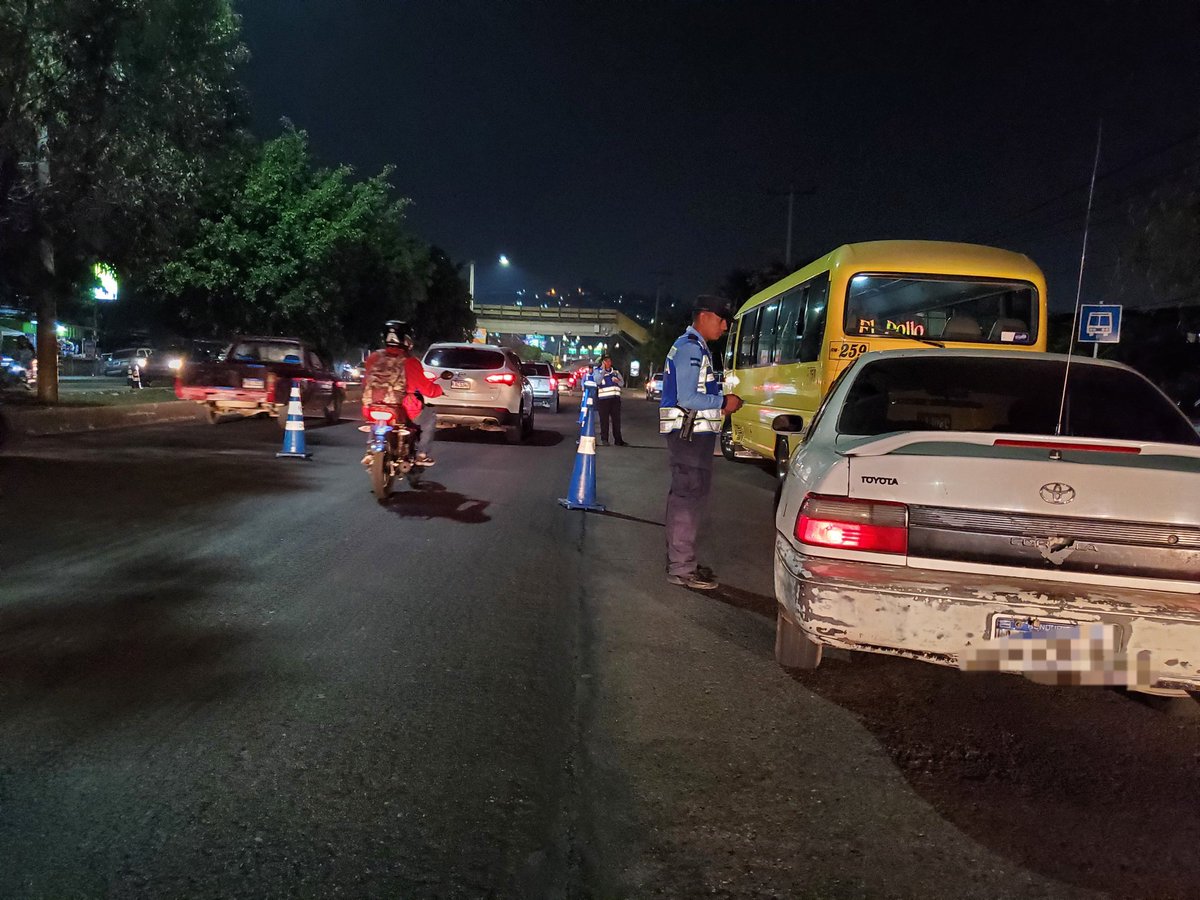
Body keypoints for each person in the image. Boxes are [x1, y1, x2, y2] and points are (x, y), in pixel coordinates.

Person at [659, 295, 744, 590]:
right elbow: (687, 398)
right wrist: (725, 401)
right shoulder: (690, 349)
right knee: (687, 500)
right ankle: (681, 568)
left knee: (689, 498)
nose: (724, 326)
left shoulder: (696, 348)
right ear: (705, 316)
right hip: (689, 435)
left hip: (693, 435)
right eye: (721, 320)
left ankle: (683, 562)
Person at [362, 321, 444, 466]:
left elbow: (366, 381)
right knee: (430, 417)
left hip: (372, 406)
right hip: (403, 409)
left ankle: (370, 451)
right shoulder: (410, 362)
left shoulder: (373, 357)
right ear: (407, 340)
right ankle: (421, 454)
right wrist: (439, 390)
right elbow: (427, 390)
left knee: (375, 422)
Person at [594, 354, 626, 446]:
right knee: (604, 421)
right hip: (603, 400)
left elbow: (622, 383)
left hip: (615, 400)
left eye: (609, 361)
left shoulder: (615, 372)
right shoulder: (598, 371)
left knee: (617, 421)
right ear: (602, 362)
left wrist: (617, 381)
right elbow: (598, 381)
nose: (608, 362)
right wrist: (603, 370)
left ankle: (618, 440)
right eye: (606, 361)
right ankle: (605, 440)